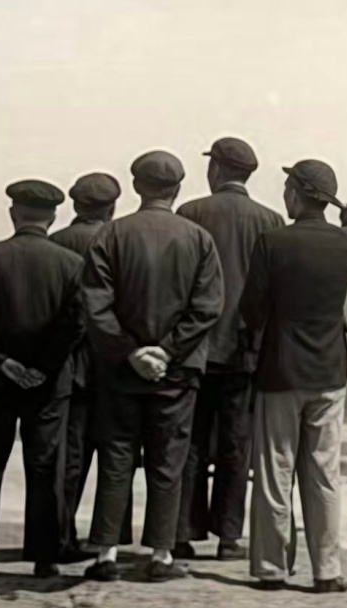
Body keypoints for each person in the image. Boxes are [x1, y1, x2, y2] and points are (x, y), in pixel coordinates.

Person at [81, 150, 224, 582]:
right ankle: (161, 555)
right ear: (177, 188)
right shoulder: (199, 239)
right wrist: (167, 351)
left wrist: (131, 351)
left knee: (117, 458)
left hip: (120, 371)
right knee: (168, 461)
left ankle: (106, 553)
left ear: (136, 186)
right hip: (177, 373)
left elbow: (95, 304)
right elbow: (207, 307)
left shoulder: (110, 235)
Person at [240, 159, 347, 593]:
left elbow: (251, 309)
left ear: (295, 194)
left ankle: (271, 569)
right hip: (329, 370)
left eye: (287, 188)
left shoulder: (272, 242)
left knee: (275, 471)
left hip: (280, 368)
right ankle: (326, 571)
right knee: (324, 473)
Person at [0, 180, 84, 578]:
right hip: (49, 384)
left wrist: (2, 362)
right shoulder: (70, 264)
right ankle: (46, 556)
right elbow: (74, 325)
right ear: (54, 217)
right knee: (46, 468)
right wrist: (43, 367)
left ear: (14, 213)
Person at [174, 137, 284, 560]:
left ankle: (182, 533)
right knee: (237, 445)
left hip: (194, 348)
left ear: (216, 169)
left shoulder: (190, 213)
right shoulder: (271, 221)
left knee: (190, 442)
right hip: (245, 352)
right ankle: (228, 537)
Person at [51, 172, 135, 558]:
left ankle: (61, 533)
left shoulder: (55, 243)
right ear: (112, 207)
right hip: (116, 363)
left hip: (70, 366)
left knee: (70, 456)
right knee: (119, 455)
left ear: (75, 204)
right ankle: (113, 535)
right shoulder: (121, 241)